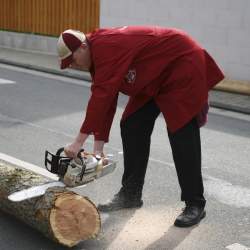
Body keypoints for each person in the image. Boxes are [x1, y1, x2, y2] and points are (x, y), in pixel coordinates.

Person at [57, 26, 224, 227]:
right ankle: (131, 194)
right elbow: (107, 101)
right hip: (153, 76)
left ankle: (195, 203)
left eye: (72, 60)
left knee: (181, 133)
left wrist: (78, 142)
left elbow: (100, 98)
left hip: (181, 65)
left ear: (82, 47)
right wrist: (98, 150)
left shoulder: (106, 47)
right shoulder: (95, 56)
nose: (74, 65)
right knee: (132, 124)